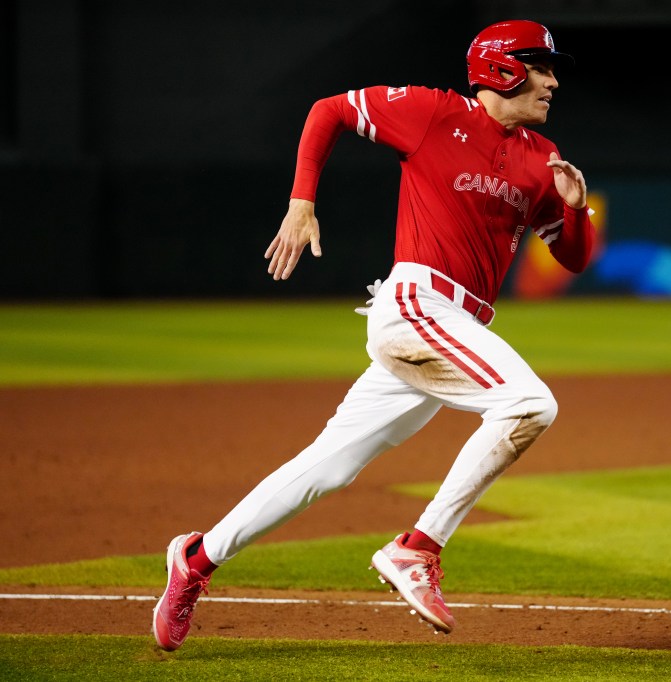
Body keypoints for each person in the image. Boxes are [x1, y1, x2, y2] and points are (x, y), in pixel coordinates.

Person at [152, 19, 594, 651]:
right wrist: (302, 200)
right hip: (417, 302)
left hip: (454, 324)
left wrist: (574, 209)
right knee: (529, 403)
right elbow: (328, 110)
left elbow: (573, 257)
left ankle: (195, 558)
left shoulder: (540, 158)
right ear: (501, 68)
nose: (553, 81)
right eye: (541, 66)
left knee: (326, 468)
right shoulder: (433, 113)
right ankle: (417, 549)